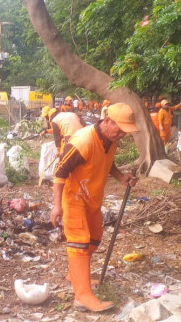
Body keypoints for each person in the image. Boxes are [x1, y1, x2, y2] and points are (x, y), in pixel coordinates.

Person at [50, 103, 138, 312]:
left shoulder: (110, 139)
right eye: (120, 129)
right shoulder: (83, 141)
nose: (122, 135)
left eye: (126, 131)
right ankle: (82, 296)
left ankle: (76, 277)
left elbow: (108, 162)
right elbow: (59, 173)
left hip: (93, 199)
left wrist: (121, 177)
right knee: (79, 243)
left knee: (94, 239)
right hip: (74, 200)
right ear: (107, 120)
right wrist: (56, 206)